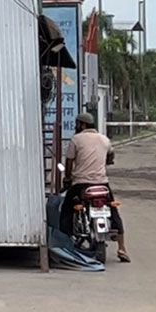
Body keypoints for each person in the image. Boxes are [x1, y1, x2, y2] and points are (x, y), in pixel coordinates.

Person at [59, 112, 130, 262]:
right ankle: (122, 248)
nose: (76, 126)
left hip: (81, 183)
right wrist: (106, 162)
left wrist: (67, 178)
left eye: (77, 124)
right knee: (113, 210)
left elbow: (69, 161)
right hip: (102, 183)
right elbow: (111, 156)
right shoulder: (104, 139)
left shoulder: (76, 139)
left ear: (83, 125)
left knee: (66, 208)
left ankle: (65, 243)